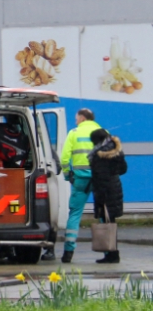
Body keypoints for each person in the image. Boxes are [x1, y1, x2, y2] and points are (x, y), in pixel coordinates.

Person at [55, 109, 102, 263]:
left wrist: (68, 175)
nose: (75, 121)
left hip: (80, 179)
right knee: (104, 214)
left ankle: (68, 252)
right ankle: (108, 251)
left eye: (76, 118)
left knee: (75, 213)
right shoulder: (103, 132)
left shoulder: (74, 133)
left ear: (82, 118)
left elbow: (64, 158)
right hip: (100, 178)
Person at [88, 128, 127, 264]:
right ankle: (112, 253)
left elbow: (99, 176)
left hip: (105, 192)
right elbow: (123, 169)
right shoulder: (116, 150)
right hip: (114, 188)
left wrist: (99, 196)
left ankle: (112, 254)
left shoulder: (99, 155)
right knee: (111, 222)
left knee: (108, 223)